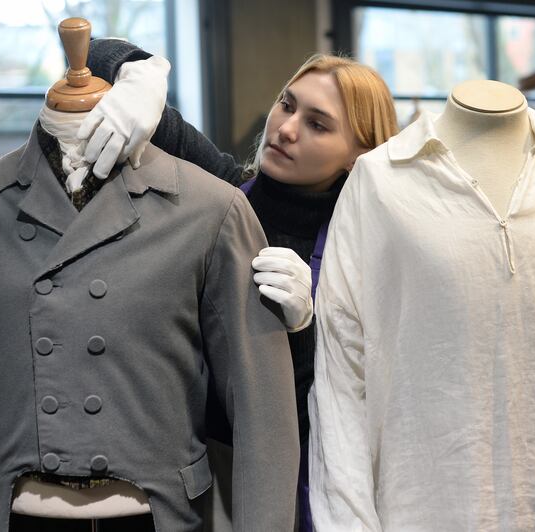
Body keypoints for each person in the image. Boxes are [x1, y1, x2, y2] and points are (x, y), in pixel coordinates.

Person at [80, 39, 399, 530]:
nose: (286, 129)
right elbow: (97, 52)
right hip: (185, 470)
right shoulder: (221, 188)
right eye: (286, 105)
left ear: (359, 157)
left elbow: (357, 401)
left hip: (293, 487)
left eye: (317, 124)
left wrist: (305, 331)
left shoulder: (359, 254)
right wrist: (142, 81)